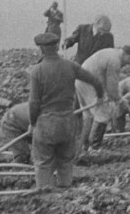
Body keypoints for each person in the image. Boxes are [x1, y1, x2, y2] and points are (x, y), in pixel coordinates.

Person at [28, 32, 104, 189]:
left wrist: (32, 122)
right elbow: (95, 81)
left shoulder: (37, 71)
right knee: (65, 161)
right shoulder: (70, 66)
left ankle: (46, 195)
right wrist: (100, 97)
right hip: (67, 122)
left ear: (41, 49)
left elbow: (34, 102)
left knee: (43, 162)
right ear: (56, 47)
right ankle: (65, 193)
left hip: (46, 122)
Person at [77, 45, 130, 149]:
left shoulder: (111, 53)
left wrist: (116, 95)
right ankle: (95, 147)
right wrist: (117, 98)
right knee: (103, 114)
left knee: (88, 116)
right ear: (128, 56)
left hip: (81, 81)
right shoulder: (115, 61)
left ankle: (84, 146)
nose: (127, 65)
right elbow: (112, 85)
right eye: (129, 61)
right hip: (89, 84)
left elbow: (105, 79)